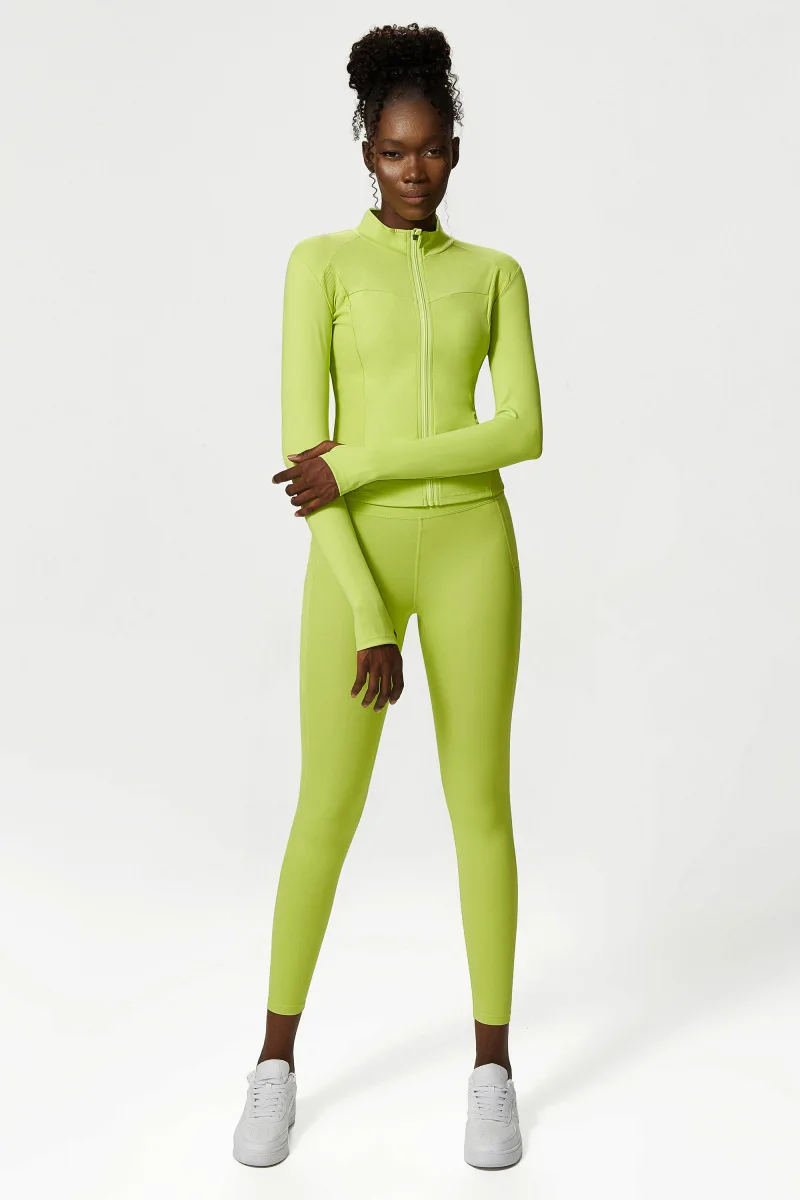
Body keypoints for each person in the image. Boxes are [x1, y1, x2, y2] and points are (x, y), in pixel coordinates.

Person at [233, 21, 542, 1171]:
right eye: (394, 151)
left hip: (472, 551)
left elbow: (521, 430)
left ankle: (491, 1070)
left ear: (455, 147)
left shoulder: (494, 274)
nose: (415, 171)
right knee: (324, 809)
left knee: (480, 809)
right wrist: (367, 616)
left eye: (433, 149)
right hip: (351, 560)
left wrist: (361, 461)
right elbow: (297, 452)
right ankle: (273, 1062)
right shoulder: (317, 264)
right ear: (366, 148)